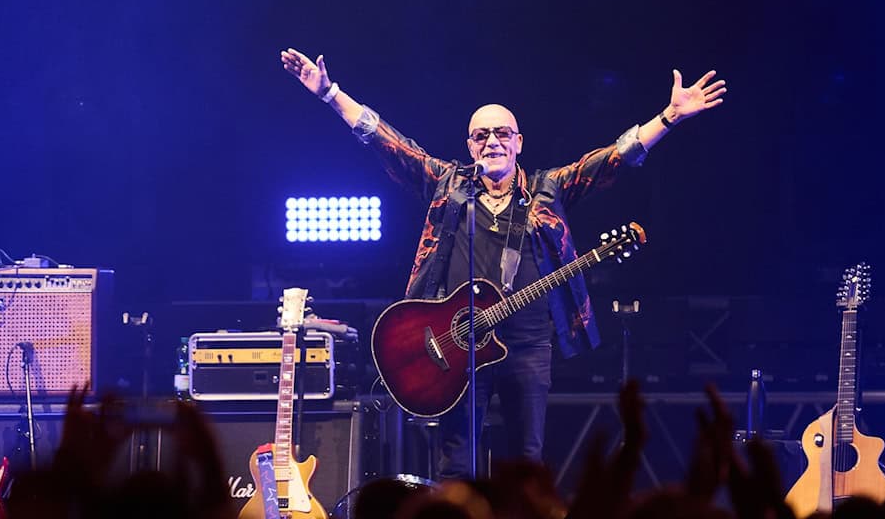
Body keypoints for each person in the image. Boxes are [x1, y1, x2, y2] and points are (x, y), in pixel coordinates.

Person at [280, 47, 726, 478]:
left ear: (518, 143)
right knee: (457, 463)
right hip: (456, 347)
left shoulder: (548, 190)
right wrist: (328, 92)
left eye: (502, 134)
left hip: (528, 345)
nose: (492, 141)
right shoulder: (449, 185)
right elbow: (386, 140)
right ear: (470, 145)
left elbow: (611, 157)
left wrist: (668, 118)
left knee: (526, 462)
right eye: (481, 135)